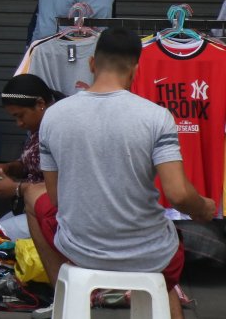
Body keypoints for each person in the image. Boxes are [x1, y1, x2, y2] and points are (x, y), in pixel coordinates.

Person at [24, 28, 216, 319]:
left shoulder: (54, 115)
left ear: (91, 64)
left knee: (31, 195)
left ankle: (60, 294)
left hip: (80, 249)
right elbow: (177, 195)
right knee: (165, 265)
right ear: (136, 69)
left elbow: (56, 197)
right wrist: (204, 207)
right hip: (149, 252)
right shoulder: (156, 117)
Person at [0, 73, 59, 240]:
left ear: (40, 104)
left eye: (20, 116)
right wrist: (9, 167)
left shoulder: (59, 131)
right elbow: (31, 164)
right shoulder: (38, 128)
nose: (19, 124)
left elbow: (61, 185)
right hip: (30, 208)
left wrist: (17, 188)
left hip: (52, 214)